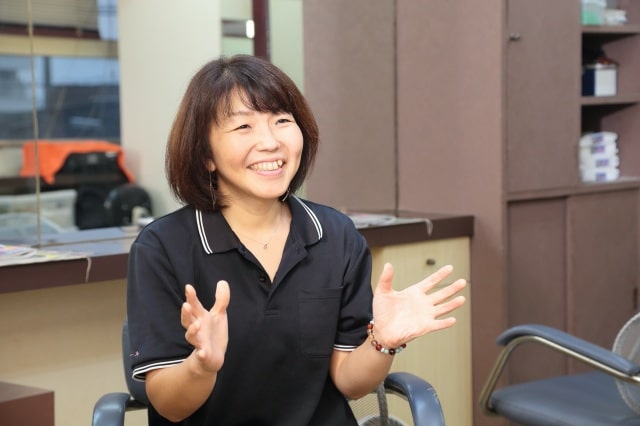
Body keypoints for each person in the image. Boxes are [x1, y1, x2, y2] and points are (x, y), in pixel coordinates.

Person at [126, 54, 467, 425]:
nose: (270, 142)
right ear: (206, 154)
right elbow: (170, 406)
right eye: (244, 127)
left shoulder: (336, 235)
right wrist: (201, 366)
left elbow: (349, 381)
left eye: (282, 121)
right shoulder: (162, 248)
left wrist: (382, 341)